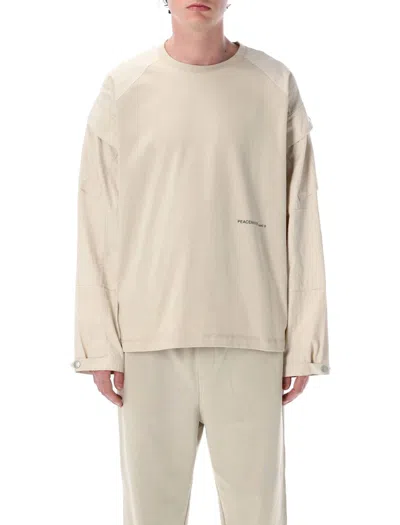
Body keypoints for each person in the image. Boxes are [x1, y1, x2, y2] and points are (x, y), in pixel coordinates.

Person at [72, 1, 330, 523]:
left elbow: (301, 216)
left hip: (252, 333)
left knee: (258, 513)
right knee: (151, 514)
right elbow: (97, 218)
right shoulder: (125, 88)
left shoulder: (273, 84)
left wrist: (305, 343)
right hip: (149, 337)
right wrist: (98, 342)